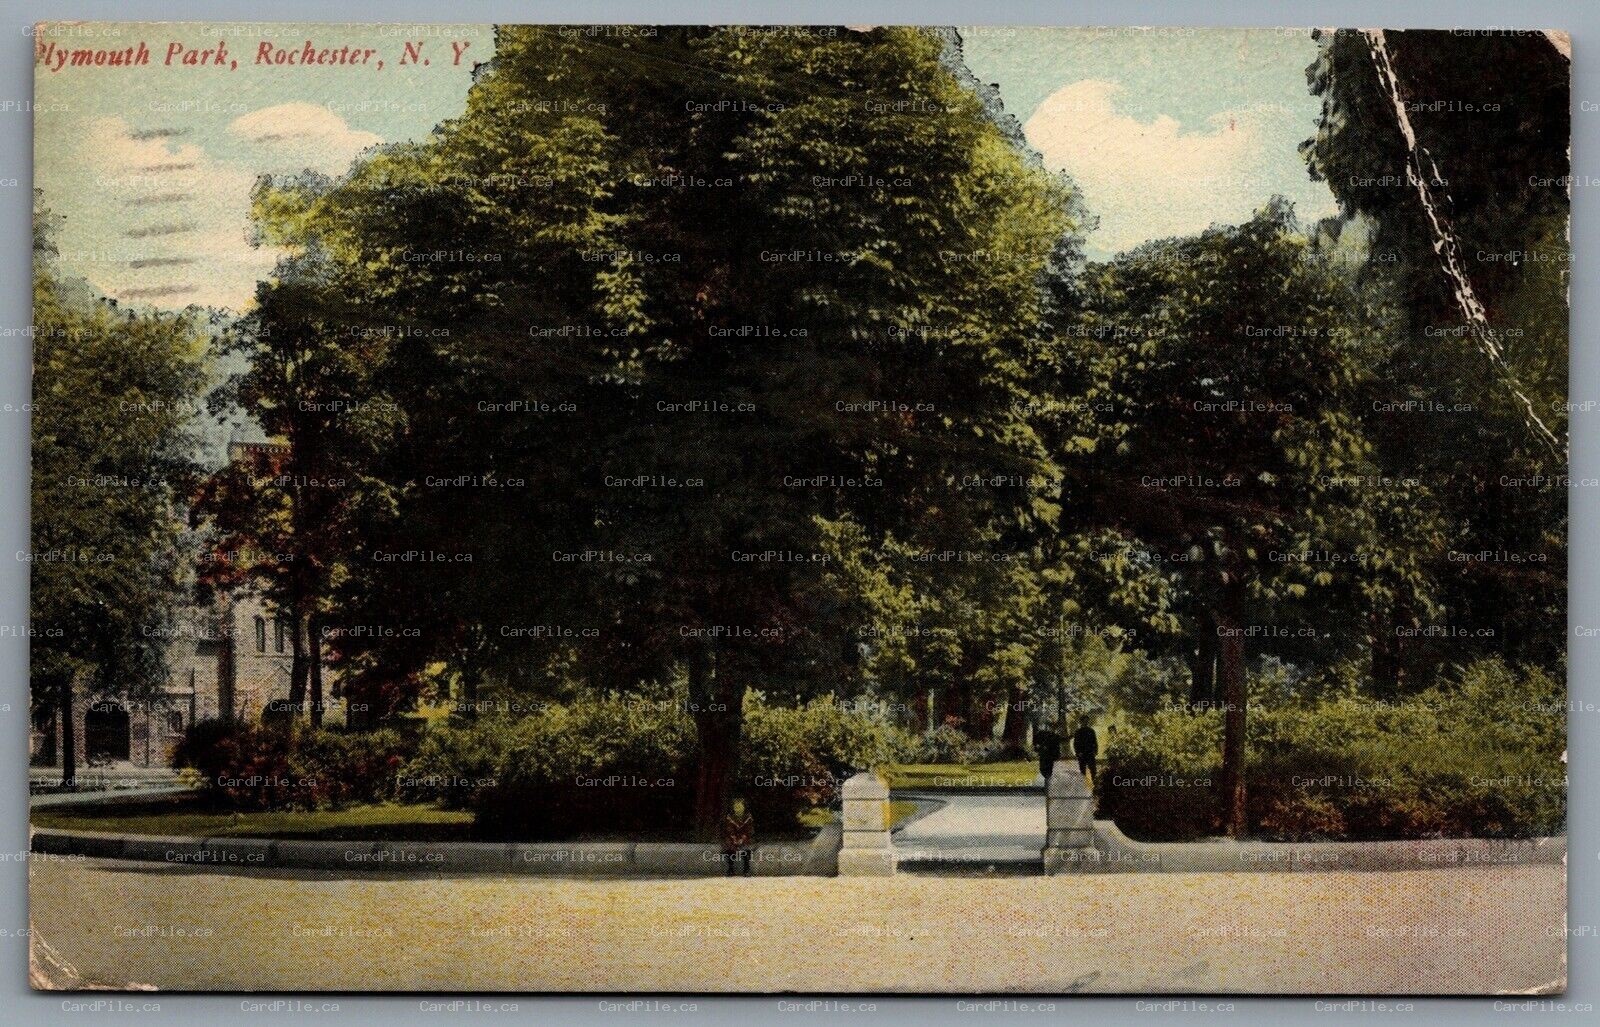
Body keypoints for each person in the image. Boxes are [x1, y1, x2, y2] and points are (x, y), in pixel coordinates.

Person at [721, 797, 754, 876]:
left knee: (746, 847)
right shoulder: (730, 817)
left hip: (745, 837)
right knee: (729, 847)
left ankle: (746, 869)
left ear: (744, 807)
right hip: (733, 837)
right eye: (736, 806)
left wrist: (743, 838)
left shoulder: (748, 817)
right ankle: (730, 869)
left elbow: (749, 830)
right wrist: (734, 838)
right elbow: (729, 829)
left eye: (740, 806)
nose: (738, 808)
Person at [1072, 717, 1099, 786]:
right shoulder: (1078, 731)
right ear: (1081, 722)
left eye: (1087, 721)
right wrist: (1078, 752)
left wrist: (1095, 751)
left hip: (1090, 752)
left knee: (1093, 770)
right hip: (1082, 754)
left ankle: (1095, 785)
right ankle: (1083, 785)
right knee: (1082, 770)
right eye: (1084, 721)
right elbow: (1075, 743)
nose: (1086, 722)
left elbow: (1095, 742)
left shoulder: (1091, 731)